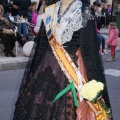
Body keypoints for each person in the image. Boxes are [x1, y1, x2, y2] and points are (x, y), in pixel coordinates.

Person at [13, 0, 113, 120]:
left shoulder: (84, 12)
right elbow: (42, 46)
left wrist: (94, 84)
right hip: (45, 71)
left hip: (72, 73)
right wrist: (32, 73)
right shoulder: (50, 11)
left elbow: (89, 53)